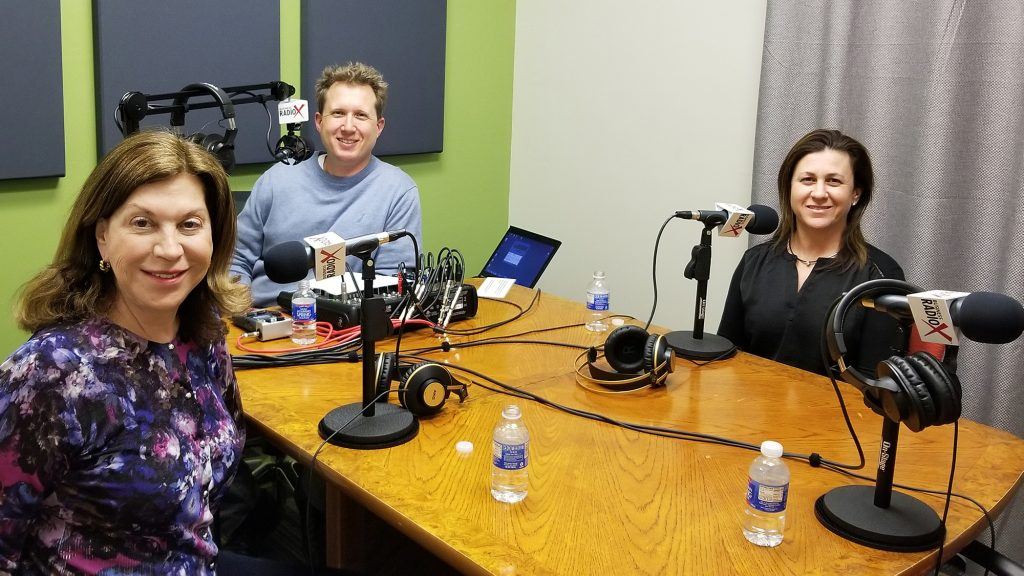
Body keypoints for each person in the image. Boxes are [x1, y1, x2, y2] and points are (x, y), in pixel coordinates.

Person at [0, 131, 251, 572]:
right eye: (142, 223)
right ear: (101, 237)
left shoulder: (204, 334)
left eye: (189, 224)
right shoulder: (51, 372)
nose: (169, 249)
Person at [232, 62, 422, 307]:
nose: (348, 127)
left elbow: (393, 283)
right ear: (320, 121)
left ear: (379, 126)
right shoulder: (276, 179)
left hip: (345, 326)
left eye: (361, 115)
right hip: (267, 320)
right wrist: (245, 317)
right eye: (338, 113)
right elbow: (235, 261)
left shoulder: (398, 191)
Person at [718, 129, 905, 375]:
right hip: (751, 408)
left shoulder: (880, 276)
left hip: (840, 413)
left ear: (855, 194)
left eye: (834, 181)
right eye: (807, 180)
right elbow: (728, 356)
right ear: (789, 188)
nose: (818, 193)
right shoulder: (754, 262)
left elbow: (877, 384)